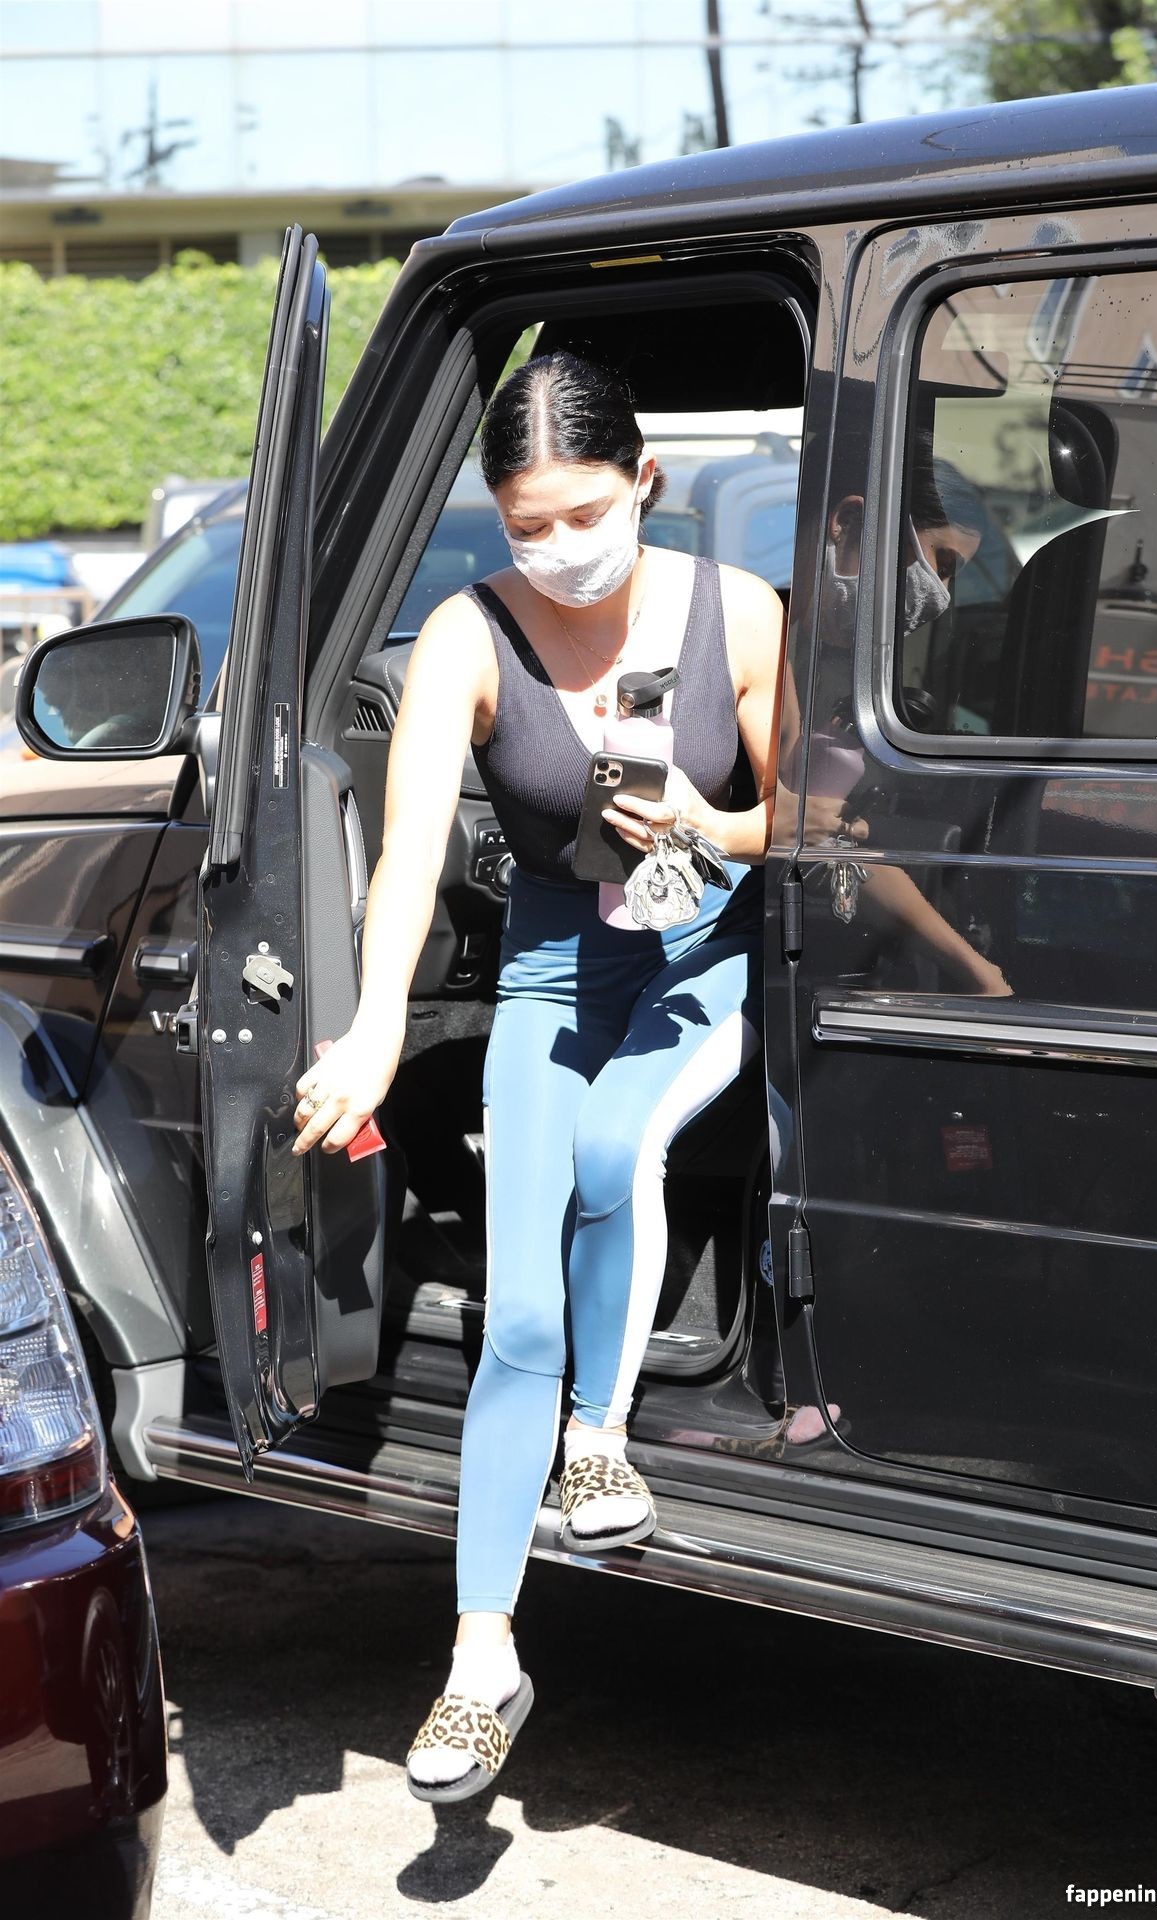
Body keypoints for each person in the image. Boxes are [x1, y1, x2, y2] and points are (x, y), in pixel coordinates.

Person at [289, 351, 785, 1802]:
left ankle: (601, 1440)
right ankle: (480, 1659)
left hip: (699, 959)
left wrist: (701, 817)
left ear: (646, 482)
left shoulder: (739, 612)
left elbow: (810, 816)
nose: (561, 547)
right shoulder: (469, 635)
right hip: (554, 972)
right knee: (514, 1315)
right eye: (527, 525)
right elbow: (406, 854)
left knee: (619, 1151)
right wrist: (377, 1024)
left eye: (585, 512)